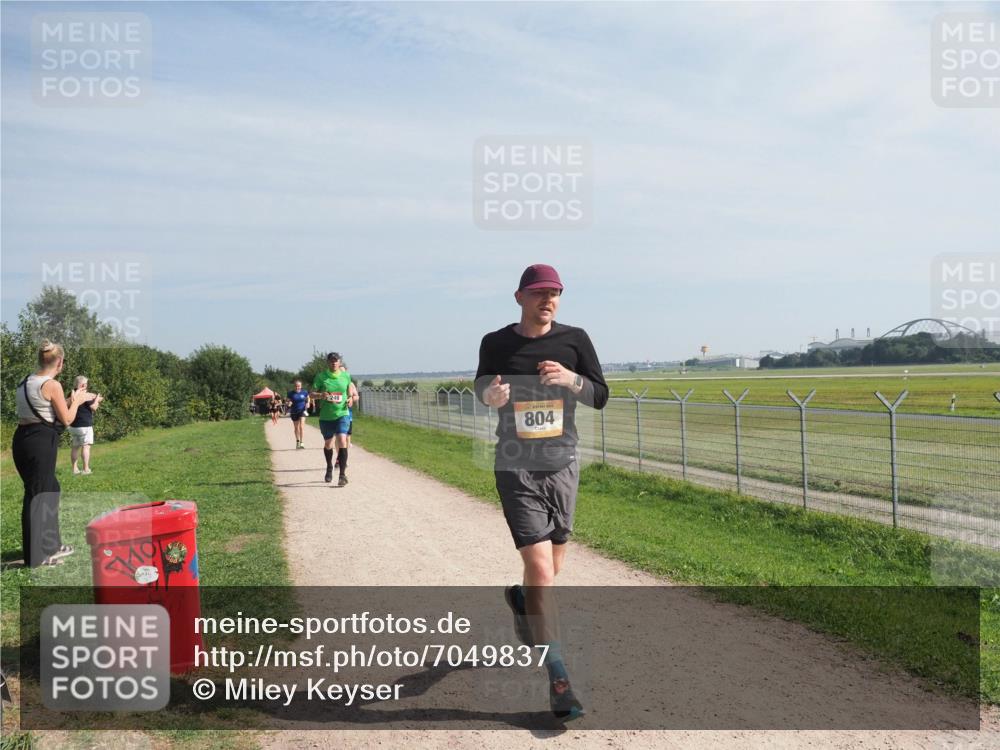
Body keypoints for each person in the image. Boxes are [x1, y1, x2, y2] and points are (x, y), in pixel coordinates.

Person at [475, 264, 608, 721]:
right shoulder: (496, 342)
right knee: (540, 569)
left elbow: (600, 394)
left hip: (562, 465)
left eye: (554, 293)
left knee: (551, 567)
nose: (547, 300)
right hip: (515, 465)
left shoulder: (575, 339)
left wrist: (572, 380)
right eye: (538, 293)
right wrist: (490, 397)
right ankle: (559, 677)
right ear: (519, 298)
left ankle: (520, 601)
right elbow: (481, 385)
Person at [12, 340, 88, 567]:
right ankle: (37, 557)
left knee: (50, 488)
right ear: (60, 363)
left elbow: (44, 409)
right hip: (40, 442)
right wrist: (77, 402)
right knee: (38, 495)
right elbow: (66, 419)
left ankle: (52, 545)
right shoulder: (52, 385)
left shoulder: (26, 381)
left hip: (24, 439)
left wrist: (68, 401)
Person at [310, 352, 358, 486]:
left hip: (342, 414)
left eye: (336, 361)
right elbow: (311, 394)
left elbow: (349, 392)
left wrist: (350, 399)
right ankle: (329, 468)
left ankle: (342, 475)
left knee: (343, 440)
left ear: (339, 362)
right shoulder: (321, 377)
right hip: (326, 416)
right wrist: (320, 395)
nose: (334, 363)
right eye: (331, 361)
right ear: (328, 362)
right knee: (328, 444)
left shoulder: (346, 376)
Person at [68, 375, 104, 475]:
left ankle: (74, 469)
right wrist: (96, 399)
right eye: (86, 384)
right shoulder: (85, 395)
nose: (87, 386)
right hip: (85, 426)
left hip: (73, 426)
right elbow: (94, 407)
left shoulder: (72, 393)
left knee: (75, 447)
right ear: (83, 384)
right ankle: (86, 469)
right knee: (86, 446)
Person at [287, 379, 312, 449]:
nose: (297, 387)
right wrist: (289, 403)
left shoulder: (304, 392)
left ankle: (302, 442)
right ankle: (297, 441)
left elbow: (308, 398)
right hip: (294, 411)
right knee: (296, 428)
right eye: (296, 386)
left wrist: (308, 403)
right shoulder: (290, 393)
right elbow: (288, 400)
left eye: (299, 386)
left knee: (301, 427)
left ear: (301, 386)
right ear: (294, 386)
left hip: (302, 411)